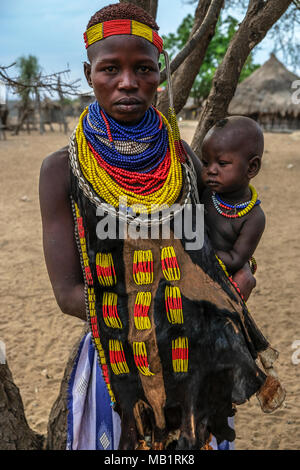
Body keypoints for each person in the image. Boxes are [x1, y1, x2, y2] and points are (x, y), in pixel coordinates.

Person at [39, 3, 283, 451]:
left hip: (193, 358)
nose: (128, 83)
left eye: (144, 69)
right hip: (120, 359)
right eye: (110, 68)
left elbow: (215, 248)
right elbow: (68, 293)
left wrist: (242, 275)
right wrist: (155, 322)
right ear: (88, 72)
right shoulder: (61, 171)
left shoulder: (186, 161)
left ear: (160, 75)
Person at [200, 116, 265, 284]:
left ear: (251, 168)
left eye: (222, 163)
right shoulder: (207, 192)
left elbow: (235, 259)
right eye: (206, 163)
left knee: (245, 280)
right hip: (192, 264)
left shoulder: (253, 217)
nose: (210, 170)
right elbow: (184, 149)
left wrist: (198, 251)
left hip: (222, 278)